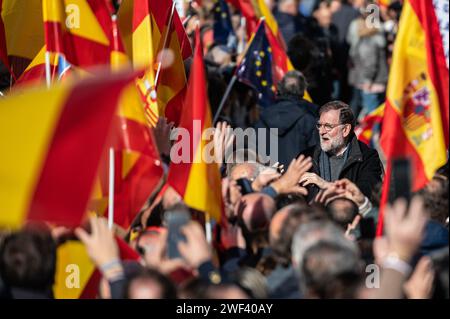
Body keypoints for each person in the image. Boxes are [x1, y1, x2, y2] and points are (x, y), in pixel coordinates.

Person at [299, 101, 383, 201]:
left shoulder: (367, 157)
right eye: (319, 125)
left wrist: (325, 185)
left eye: (328, 126)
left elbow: (368, 193)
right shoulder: (306, 157)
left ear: (345, 130)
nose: (321, 131)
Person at [255, 71, 319, 168]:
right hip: (297, 177)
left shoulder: (264, 115)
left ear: (281, 88)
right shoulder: (308, 119)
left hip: (268, 175)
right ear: (302, 90)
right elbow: (315, 155)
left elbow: (254, 149)